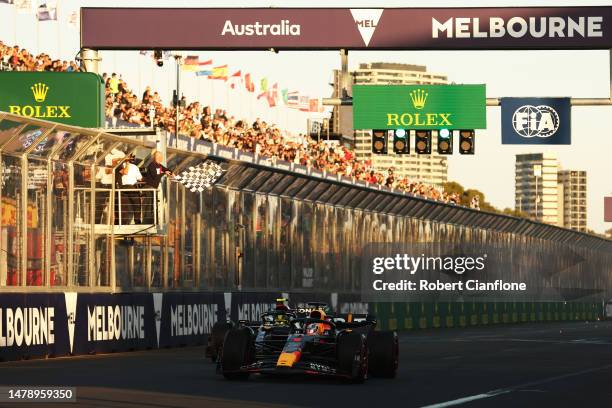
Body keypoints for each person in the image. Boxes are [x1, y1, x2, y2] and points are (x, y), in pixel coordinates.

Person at [142, 150, 173, 224]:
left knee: (153, 204)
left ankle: (152, 220)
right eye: (158, 157)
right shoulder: (152, 165)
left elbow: (167, 170)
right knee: (148, 205)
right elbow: (155, 176)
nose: (160, 159)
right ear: (154, 158)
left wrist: (172, 173)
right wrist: (163, 173)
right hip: (149, 187)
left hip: (153, 188)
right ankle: (146, 221)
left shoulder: (159, 166)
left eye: (160, 157)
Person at [118, 155, 143, 224]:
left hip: (125, 188)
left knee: (127, 206)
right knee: (136, 205)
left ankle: (125, 222)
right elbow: (140, 178)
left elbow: (139, 178)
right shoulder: (123, 166)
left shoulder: (121, 166)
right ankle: (137, 221)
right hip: (129, 188)